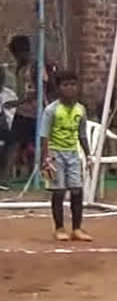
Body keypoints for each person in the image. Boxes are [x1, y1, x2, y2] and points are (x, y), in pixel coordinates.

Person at [39, 70, 92, 242]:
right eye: (65, 85)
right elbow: (44, 135)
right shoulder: (51, 110)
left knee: (77, 190)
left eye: (73, 84)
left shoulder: (80, 110)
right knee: (59, 191)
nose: (70, 88)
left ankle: (77, 228)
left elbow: (82, 134)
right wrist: (45, 158)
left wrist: (88, 154)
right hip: (55, 154)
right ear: (58, 88)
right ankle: (59, 228)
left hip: (73, 153)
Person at [5, 35, 45, 180]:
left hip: (34, 111)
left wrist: (17, 103)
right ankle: (7, 176)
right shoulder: (20, 67)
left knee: (29, 143)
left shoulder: (35, 66)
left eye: (16, 53)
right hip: (23, 110)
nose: (15, 57)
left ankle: (38, 174)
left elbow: (40, 91)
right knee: (14, 142)